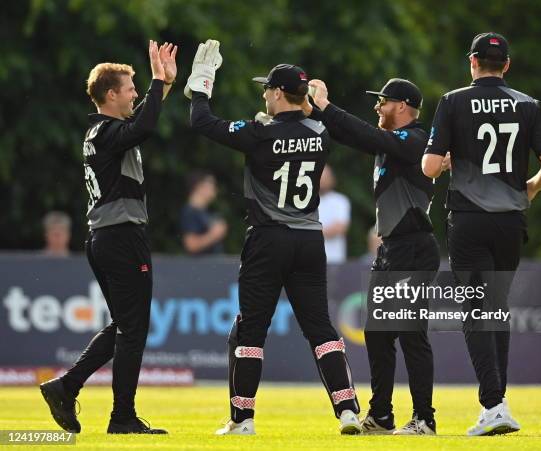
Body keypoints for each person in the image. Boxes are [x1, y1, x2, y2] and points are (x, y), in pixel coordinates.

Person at [185, 40, 361, 435]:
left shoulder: (258, 133)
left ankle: (243, 419)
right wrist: (313, 102)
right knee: (320, 327)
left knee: (251, 330)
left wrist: (202, 83)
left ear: (279, 93)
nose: (264, 94)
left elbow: (201, 121)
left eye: (267, 88)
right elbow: (315, 121)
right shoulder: (321, 132)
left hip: (267, 239)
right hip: (310, 241)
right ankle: (348, 409)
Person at [422, 32, 541, 436]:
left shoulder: (452, 101)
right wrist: (530, 187)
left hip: (468, 218)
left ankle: (493, 405)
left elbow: (429, 168)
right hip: (511, 221)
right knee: (496, 309)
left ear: (472, 63)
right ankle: (498, 401)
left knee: (476, 311)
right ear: (507, 66)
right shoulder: (528, 105)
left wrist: (444, 161)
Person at [39, 40, 178, 435]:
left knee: (125, 324)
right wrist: (156, 79)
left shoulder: (104, 131)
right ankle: (121, 417)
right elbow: (145, 126)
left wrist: (162, 86)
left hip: (106, 237)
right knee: (133, 328)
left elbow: (141, 122)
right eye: (129, 88)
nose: (135, 93)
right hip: (121, 237)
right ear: (111, 94)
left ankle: (66, 387)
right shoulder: (106, 132)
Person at [306, 77, 440, 435]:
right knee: (378, 334)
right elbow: (355, 135)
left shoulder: (415, 139)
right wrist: (317, 110)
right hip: (393, 248)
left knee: (411, 333)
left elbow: (368, 135)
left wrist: (327, 106)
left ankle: (424, 418)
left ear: (401, 106)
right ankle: (381, 416)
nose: (378, 107)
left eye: (383, 102)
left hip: (413, 247)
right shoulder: (390, 143)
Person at [181, 171, 227, 255]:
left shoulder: (203, 212)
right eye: (211, 185)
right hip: (201, 267)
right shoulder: (190, 212)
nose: (215, 189)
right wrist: (214, 234)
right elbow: (191, 245)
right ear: (199, 186)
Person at [318, 164, 351, 263]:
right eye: (320, 177)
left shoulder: (340, 201)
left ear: (332, 179)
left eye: (326, 177)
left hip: (335, 260)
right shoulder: (305, 202)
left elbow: (340, 228)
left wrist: (310, 233)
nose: (323, 180)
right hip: (311, 262)